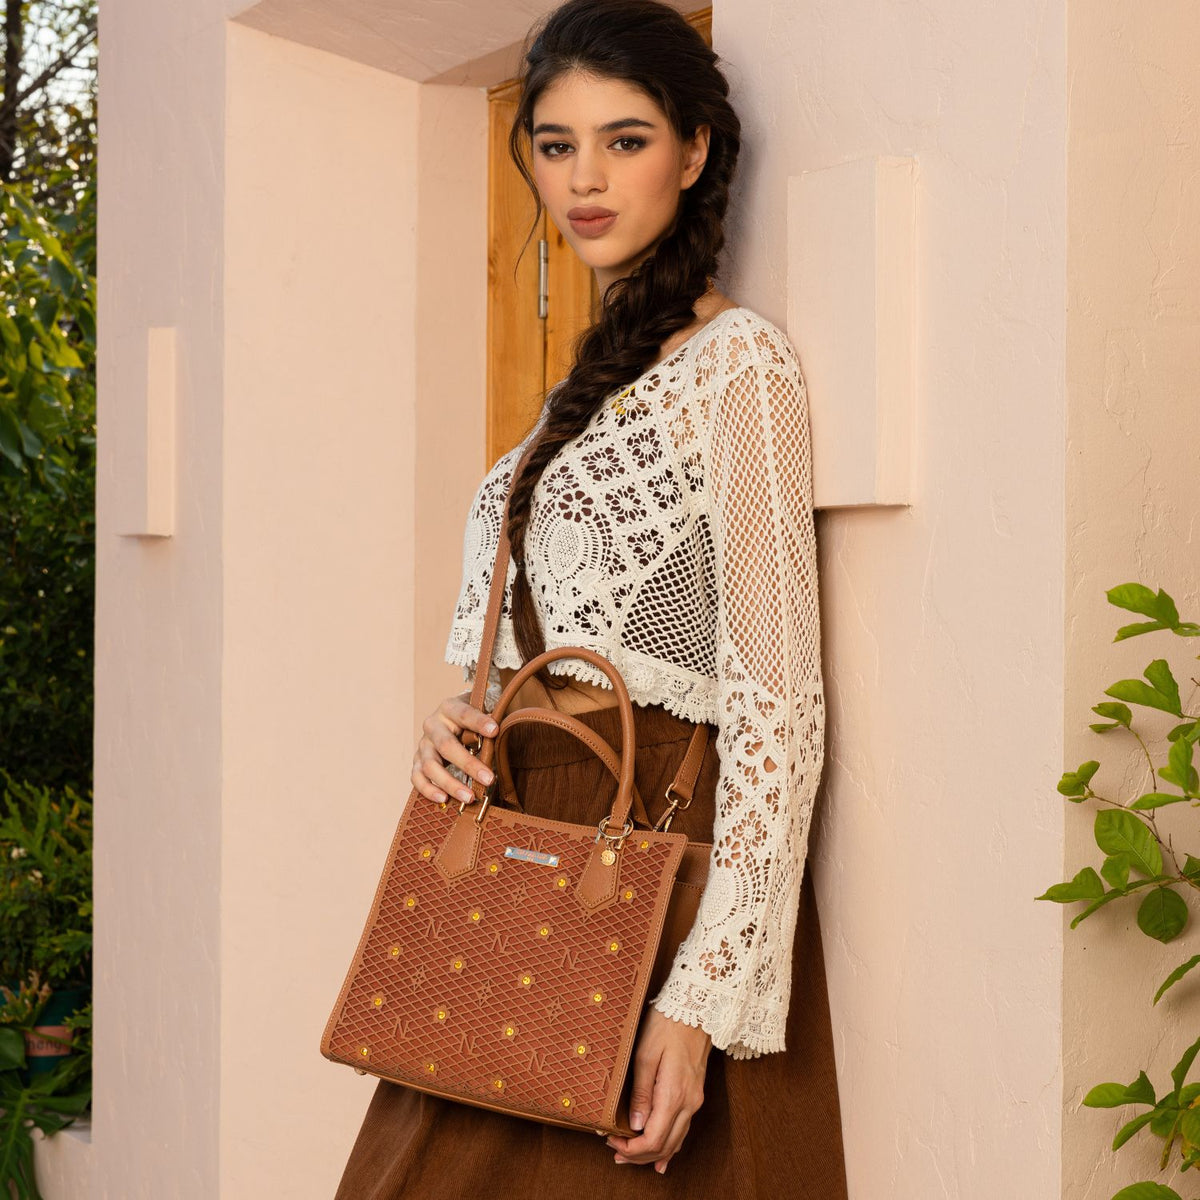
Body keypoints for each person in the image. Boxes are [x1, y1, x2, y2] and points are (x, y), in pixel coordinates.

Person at [333, 1, 848, 1195]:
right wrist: (462, 722)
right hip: (519, 853)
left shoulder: (737, 366)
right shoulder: (589, 384)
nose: (585, 179)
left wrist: (698, 999)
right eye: (557, 145)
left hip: (650, 862)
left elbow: (777, 706)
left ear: (695, 150)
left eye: (625, 140)